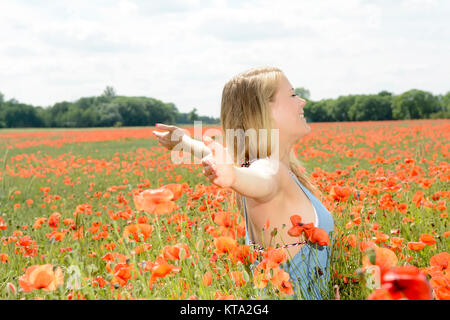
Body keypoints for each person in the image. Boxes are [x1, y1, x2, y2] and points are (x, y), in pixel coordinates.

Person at [153, 66, 334, 299]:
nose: (302, 101)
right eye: (291, 95)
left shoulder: (262, 165)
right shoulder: (270, 171)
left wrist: (184, 143)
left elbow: (238, 166)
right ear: (263, 111)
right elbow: (261, 180)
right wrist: (234, 178)